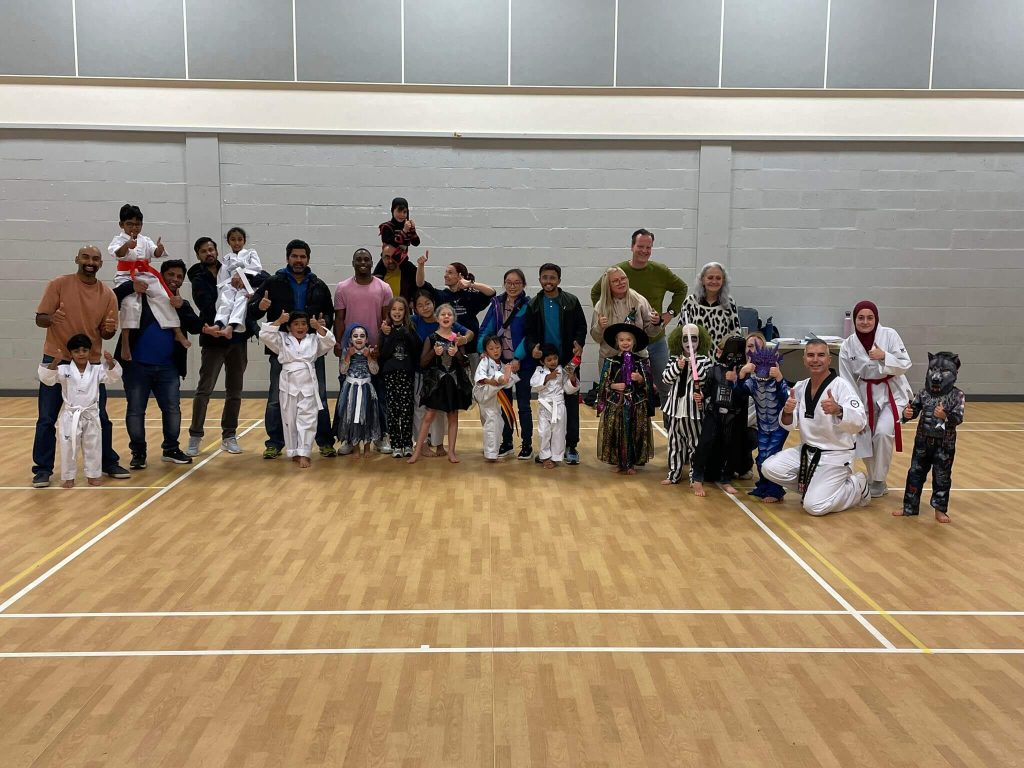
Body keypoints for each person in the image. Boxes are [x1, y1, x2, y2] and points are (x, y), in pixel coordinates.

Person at [32, 245, 129, 488]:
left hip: (91, 363)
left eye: (95, 259)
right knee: (47, 417)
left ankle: (107, 462)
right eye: (86, 257)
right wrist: (51, 318)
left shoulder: (108, 294)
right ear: (77, 259)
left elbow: (107, 333)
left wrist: (109, 330)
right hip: (56, 360)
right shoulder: (58, 284)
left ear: (100, 264)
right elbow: (40, 318)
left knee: (99, 417)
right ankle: (42, 469)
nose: (90, 262)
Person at [248, 239, 336, 459]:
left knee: (320, 396)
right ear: (288, 257)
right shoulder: (272, 282)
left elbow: (329, 315)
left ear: (308, 259)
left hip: (310, 347)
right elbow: (252, 312)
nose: (299, 260)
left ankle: (324, 441)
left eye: (302, 257)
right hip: (282, 349)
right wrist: (260, 307)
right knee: (277, 398)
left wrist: (322, 326)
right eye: (295, 256)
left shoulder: (319, 285)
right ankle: (275, 442)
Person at [114, 260, 205, 469]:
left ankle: (171, 448)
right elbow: (111, 297)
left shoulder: (180, 302)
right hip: (136, 366)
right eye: (170, 275)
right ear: (160, 277)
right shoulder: (137, 297)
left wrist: (182, 306)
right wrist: (130, 286)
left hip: (168, 367)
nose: (175, 279)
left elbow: (196, 326)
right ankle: (138, 452)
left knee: (172, 409)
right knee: (136, 410)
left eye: (179, 276)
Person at [762, 340, 870, 516]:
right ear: (804, 360)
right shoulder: (800, 386)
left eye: (821, 355)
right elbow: (789, 424)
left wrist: (839, 410)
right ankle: (816, 490)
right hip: (807, 452)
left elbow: (860, 422)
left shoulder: (841, 386)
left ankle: (856, 487)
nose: (815, 359)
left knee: (814, 507)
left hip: (835, 455)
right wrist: (787, 411)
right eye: (811, 355)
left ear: (829, 359)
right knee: (769, 468)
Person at [589, 229, 687, 408]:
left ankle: (669, 431)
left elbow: (682, 288)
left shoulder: (658, 274)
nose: (644, 250)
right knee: (614, 392)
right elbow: (597, 292)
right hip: (617, 349)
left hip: (652, 343)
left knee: (661, 388)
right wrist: (606, 318)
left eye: (648, 247)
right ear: (632, 247)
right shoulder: (616, 273)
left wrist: (669, 314)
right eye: (640, 246)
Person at [186, 236, 264, 456]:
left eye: (211, 249)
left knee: (235, 390)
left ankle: (229, 435)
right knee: (204, 390)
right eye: (203, 251)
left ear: (217, 250)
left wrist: (244, 279)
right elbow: (206, 304)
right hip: (213, 339)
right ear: (198, 255)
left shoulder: (232, 266)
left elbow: (262, 278)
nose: (209, 253)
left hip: (237, 340)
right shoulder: (197, 276)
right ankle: (195, 435)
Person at [838, 300, 913, 498]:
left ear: (876, 318)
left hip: (892, 391)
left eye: (869, 317)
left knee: (882, 433)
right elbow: (846, 379)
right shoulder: (848, 345)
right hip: (865, 392)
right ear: (854, 320)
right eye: (860, 318)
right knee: (864, 435)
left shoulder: (889, 335)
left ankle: (879, 480)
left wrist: (884, 356)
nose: (865, 322)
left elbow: (905, 364)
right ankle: (873, 477)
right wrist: (854, 408)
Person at [37, 335, 122, 489]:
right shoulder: (63, 369)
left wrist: (110, 362)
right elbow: (47, 379)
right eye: (76, 351)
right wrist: (55, 361)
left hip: (91, 414)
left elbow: (113, 377)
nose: (81, 354)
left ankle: (93, 474)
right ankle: (68, 477)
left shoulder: (97, 369)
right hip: (71, 415)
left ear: (90, 352)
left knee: (93, 445)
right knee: (68, 446)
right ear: (70, 353)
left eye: (84, 350)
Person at [524, 263, 587, 465]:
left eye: (552, 278)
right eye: (545, 277)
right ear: (540, 279)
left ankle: (571, 447)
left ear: (559, 280)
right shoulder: (534, 304)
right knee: (546, 411)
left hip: (568, 361)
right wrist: (533, 347)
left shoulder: (571, 301)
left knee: (570, 402)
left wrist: (579, 343)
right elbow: (530, 332)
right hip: (546, 362)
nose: (548, 281)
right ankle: (547, 449)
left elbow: (581, 326)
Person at [108, 203, 188, 359]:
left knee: (165, 298)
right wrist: (127, 245)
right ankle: (125, 342)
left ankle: (177, 331)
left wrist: (158, 249)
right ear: (121, 224)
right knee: (130, 304)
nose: (134, 227)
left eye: (137, 224)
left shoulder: (145, 240)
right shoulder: (118, 240)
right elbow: (117, 253)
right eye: (129, 224)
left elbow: (155, 252)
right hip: (126, 276)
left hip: (146, 274)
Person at [334, 247, 394, 454]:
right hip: (350, 353)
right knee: (348, 397)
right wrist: (339, 345)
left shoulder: (384, 288)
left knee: (379, 397)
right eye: (358, 259)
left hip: (375, 353)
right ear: (353, 262)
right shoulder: (342, 288)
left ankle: (380, 437)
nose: (362, 262)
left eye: (366, 259)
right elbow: (339, 319)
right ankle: (350, 438)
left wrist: (381, 348)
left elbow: (387, 320)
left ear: (371, 262)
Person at [258, 311, 336, 468]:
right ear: (288, 327)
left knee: (308, 419)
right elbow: (264, 335)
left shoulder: (313, 339)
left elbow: (329, 342)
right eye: (296, 324)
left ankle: (304, 453)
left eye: (303, 324)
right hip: (288, 384)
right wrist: (278, 320)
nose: (300, 327)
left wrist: (319, 328)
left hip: (308, 382)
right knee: (290, 420)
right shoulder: (281, 339)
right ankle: (294, 451)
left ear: (308, 326)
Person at [477, 268, 534, 460]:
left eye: (517, 282)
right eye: (509, 282)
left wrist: (518, 358)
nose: (512, 286)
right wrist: (482, 351)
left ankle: (527, 444)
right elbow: (486, 328)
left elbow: (530, 335)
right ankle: (507, 442)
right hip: (501, 364)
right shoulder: (496, 304)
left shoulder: (529, 305)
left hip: (523, 363)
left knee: (524, 405)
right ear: (504, 284)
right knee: (504, 405)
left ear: (523, 285)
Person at [410, 289, 473, 457]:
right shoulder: (431, 337)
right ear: (437, 318)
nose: (446, 317)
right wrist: (434, 353)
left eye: (449, 315)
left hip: (452, 380)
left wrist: (457, 352)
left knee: (452, 415)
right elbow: (423, 362)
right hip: (434, 381)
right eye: (443, 315)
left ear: (453, 318)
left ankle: (450, 450)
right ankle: (418, 450)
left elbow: (464, 361)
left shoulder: (457, 338)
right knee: (429, 414)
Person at [416, 253, 495, 372]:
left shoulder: (470, 296)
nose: (445, 275)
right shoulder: (441, 295)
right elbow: (420, 284)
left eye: (450, 272)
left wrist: (470, 284)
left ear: (460, 276)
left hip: (470, 348)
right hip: (446, 349)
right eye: (445, 272)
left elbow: (491, 292)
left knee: (471, 383)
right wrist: (421, 265)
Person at [690, 336, 748, 497]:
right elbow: (707, 390)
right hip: (714, 413)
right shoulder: (714, 370)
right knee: (705, 444)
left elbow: (744, 395)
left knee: (730, 447)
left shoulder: (742, 373)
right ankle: (697, 477)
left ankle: (726, 478)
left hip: (732, 416)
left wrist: (737, 380)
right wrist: (700, 394)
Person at [595, 324, 654, 475]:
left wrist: (640, 379)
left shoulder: (642, 361)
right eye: (621, 340)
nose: (625, 342)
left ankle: (631, 463)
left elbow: (648, 383)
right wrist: (614, 385)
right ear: (617, 342)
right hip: (617, 403)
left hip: (636, 403)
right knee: (617, 431)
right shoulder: (611, 361)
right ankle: (620, 462)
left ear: (634, 342)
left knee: (633, 432)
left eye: (628, 339)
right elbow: (603, 383)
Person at [738, 333, 789, 502]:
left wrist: (780, 378)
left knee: (770, 457)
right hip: (762, 426)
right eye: (750, 346)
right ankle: (763, 486)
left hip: (778, 426)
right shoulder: (752, 381)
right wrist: (741, 375)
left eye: (757, 346)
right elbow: (738, 394)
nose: (754, 350)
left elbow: (785, 399)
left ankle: (775, 490)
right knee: (761, 458)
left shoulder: (775, 379)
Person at [661, 323, 713, 486]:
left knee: (694, 444)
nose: (689, 342)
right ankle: (673, 473)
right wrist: (678, 366)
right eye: (685, 338)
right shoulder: (673, 359)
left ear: (700, 340)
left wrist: (695, 366)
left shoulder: (704, 360)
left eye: (694, 338)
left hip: (694, 410)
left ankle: (694, 475)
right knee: (674, 443)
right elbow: (666, 379)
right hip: (675, 408)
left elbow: (706, 380)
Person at [590, 266, 659, 375]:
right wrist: (599, 327)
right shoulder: (601, 306)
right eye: (615, 281)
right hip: (609, 360)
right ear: (608, 285)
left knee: (640, 389)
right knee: (612, 390)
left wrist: (656, 323)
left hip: (638, 357)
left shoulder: (639, 300)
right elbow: (596, 338)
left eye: (623, 278)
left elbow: (651, 332)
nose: (621, 282)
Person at [378, 298, 419, 458]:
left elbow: (416, 349)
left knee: (407, 410)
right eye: (394, 309)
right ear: (389, 311)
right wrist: (389, 335)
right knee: (393, 411)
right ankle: (396, 444)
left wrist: (404, 333)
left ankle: (407, 443)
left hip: (406, 375)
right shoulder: (385, 330)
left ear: (405, 312)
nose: (397, 312)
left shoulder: (410, 328)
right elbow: (383, 354)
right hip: (390, 375)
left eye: (400, 309)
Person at [335, 324, 383, 456]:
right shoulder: (347, 351)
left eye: (362, 336)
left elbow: (375, 371)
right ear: (350, 339)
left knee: (367, 416)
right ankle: (355, 447)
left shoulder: (370, 351)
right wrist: (348, 356)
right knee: (351, 416)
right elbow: (343, 370)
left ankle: (367, 447)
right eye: (355, 336)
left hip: (366, 387)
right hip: (351, 388)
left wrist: (369, 357)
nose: (359, 338)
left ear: (367, 339)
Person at [530, 344, 580, 468]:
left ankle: (556, 457)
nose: (553, 362)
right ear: (542, 361)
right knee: (543, 432)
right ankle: (545, 456)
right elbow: (534, 384)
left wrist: (572, 379)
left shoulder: (562, 371)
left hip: (559, 406)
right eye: (549, 360)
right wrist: (547, 378)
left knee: (559, 433)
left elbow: (569, 389)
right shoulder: (539, 371)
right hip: (545, 406)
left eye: (555, 358)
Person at [211, 227, 263, 338]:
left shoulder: (250, 253)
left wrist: (241, 274)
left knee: (241, 299)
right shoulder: (226, 258)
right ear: (228, 242)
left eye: (240, 239)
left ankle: (231, 327)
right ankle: (219, 324)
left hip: (247, 284)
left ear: (244, 241)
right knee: (225, 299)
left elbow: (256, 268)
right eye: (233, 240)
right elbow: (222, 277)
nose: (237, 243)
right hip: (231, 285)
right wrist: (225, 287)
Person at [474, 336, 518, 462]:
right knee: (493, 423)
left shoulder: (503, 364)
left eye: (498, 347)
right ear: (486, 350)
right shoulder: (485, 361)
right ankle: (491, 454)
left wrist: (510, 373)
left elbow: (509, 384)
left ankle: (491, 449)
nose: (495, 351)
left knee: (497, 423)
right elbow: (480, 377)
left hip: (493, 399)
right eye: (491, 348)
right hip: (484, 392)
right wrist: (491, 381)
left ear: (502, 347)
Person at [681, 262, 741, 348]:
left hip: (721, 357)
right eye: (710, 278)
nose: (714, 281)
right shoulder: (690, 302)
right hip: (696, 358)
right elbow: (680, 331)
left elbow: (736, 333)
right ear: (702, 280)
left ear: (723, 281)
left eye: (718, 278)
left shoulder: (729, 303)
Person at [378, 196, 420, 261]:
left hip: (403, 261)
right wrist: (404, 231)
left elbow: (416, 243)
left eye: (404, 212)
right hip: (387, 262)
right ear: (392, 211)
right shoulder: (386, 227)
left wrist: (412, 230)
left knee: (416, 271)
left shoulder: (407, 226)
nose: (402, 215)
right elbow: (392, 244)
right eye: (399, 211)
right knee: (377, 271)